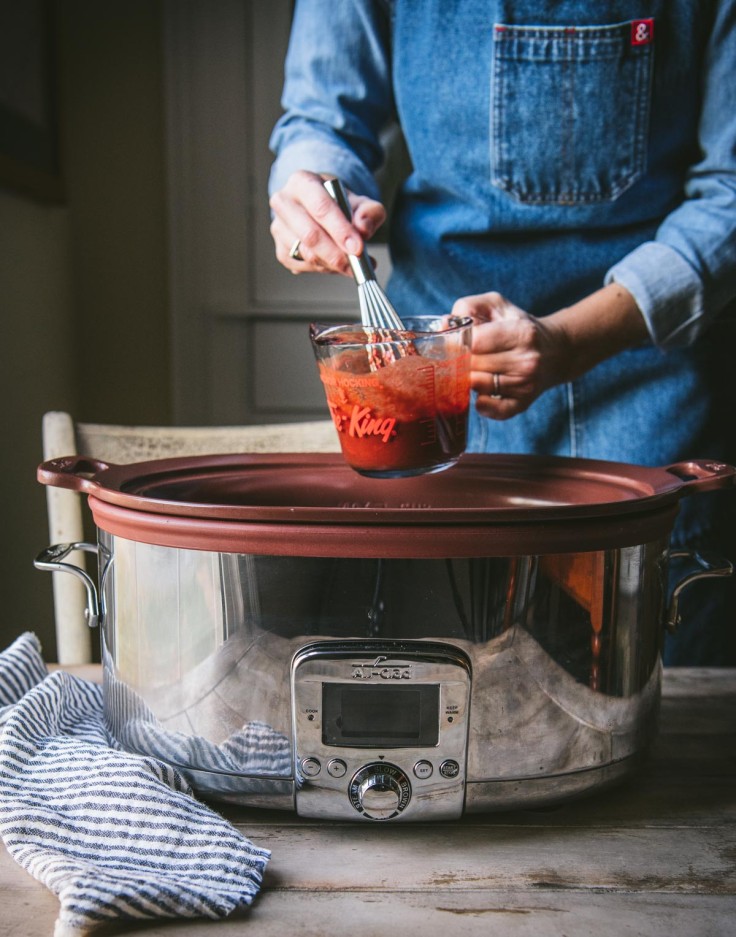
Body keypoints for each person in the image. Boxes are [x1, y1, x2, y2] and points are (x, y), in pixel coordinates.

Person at [268, 1, 736, 665]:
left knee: (663, 699)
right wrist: (311, 183)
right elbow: (320, 118)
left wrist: (572, 340)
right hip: (435, 384)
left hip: (651, 382)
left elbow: (730, 188)